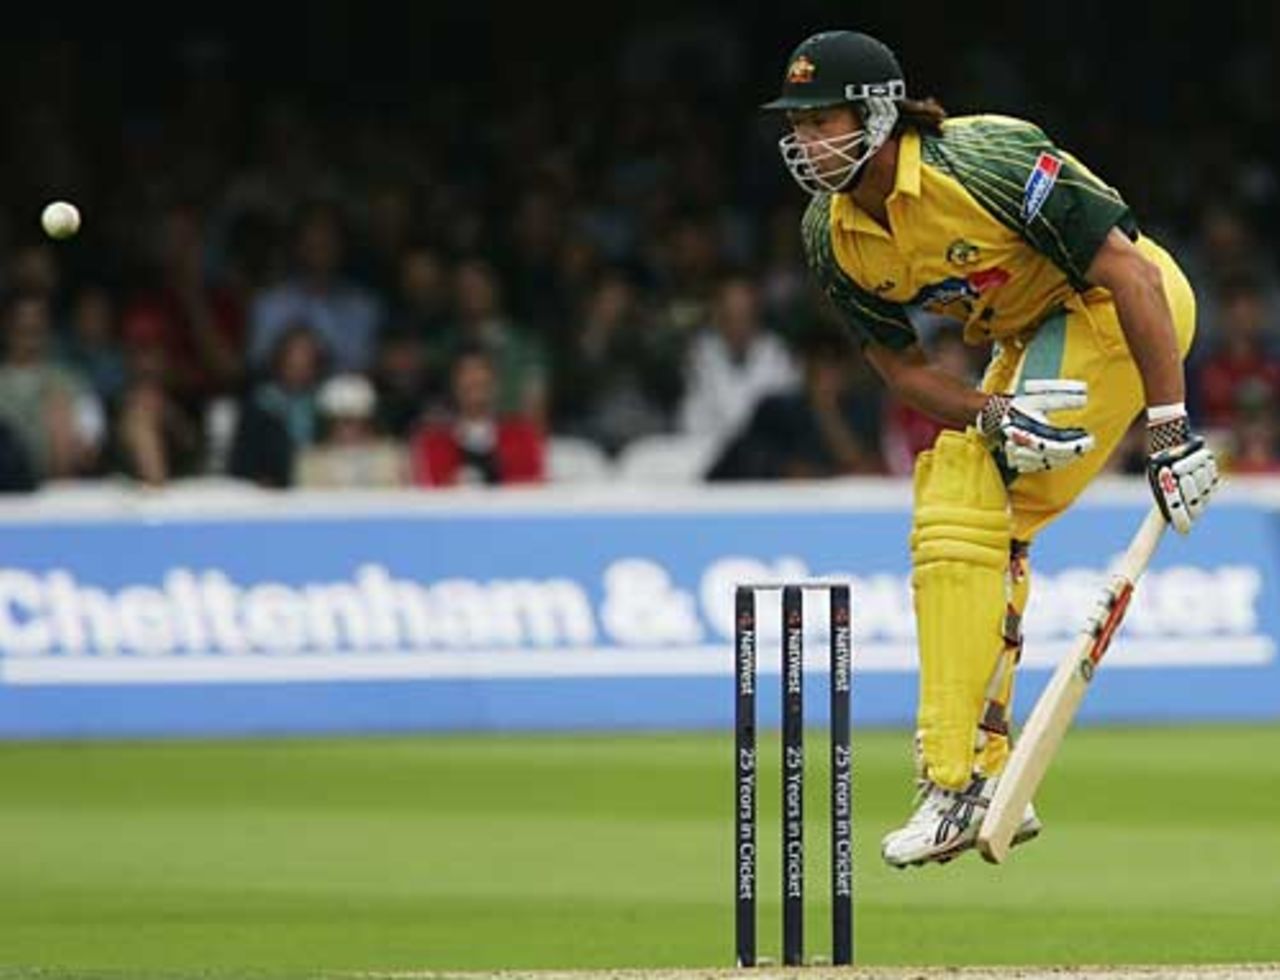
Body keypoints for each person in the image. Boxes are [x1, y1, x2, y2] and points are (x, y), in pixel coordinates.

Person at [761, 30, 1219, 867]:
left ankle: (961, 778)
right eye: (797, 125)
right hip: (1032, 336)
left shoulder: (985, 160)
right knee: (961, 497)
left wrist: (1168, 428)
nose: (806, 141)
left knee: (966, 491)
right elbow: (903, 371)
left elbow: (1133, 275)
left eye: (822, 121)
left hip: (1112, 313)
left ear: (877, 114)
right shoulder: (831, 234)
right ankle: (977, 768)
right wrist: (992, 410)